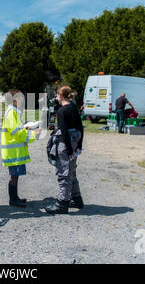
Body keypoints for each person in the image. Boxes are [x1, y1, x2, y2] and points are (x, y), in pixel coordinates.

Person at [45, 86, 84, 214]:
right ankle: (77, 198)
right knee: (71, 170)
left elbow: (64, 132)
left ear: (61, 96)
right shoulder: (73, 108)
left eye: (57, 95)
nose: (56, 97)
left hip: (65, 144)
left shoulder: (62, 111)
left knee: (64, 173)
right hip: (75, 142)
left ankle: (62, 203)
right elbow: (81, 127)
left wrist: (68, 150)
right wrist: (78, 146)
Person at [1, 89, 41, 207]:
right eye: (21, 98)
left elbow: (18, 130)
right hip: (13, 151)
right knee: (14, 175)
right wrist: (34, 135)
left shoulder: (13, 112)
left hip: (14, 151)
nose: (22, 101)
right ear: (15, 100)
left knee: (16, 175)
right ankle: (13, 200)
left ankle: (15, 197)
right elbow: (18, 133)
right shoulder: (11, 113)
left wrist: (26, 128)